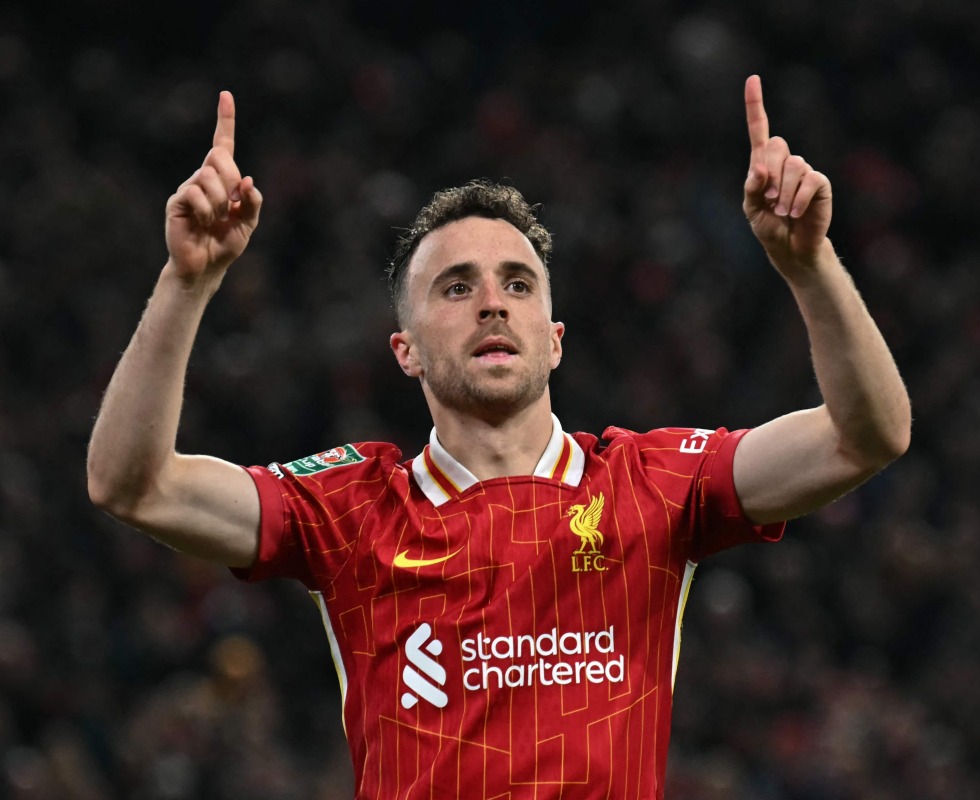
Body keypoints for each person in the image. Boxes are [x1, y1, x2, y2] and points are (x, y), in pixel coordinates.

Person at [87, 75, 911, 798]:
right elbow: (133, 484)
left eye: (518, 284)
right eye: (456, 287)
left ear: (553, 337)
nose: (492, 303)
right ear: (404, 352)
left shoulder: (654, 483)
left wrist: (810, 267)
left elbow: (865, 436)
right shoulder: (348, 509)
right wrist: (185, 283)